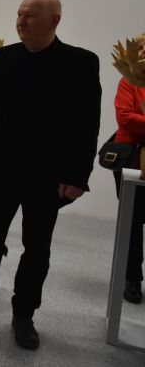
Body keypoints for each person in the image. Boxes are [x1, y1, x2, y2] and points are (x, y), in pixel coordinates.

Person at [0, 0, 101, 350]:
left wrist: (78, 176)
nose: (21, 20)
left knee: (37, 249)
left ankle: (24, 316)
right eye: (19, 14)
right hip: (1, 171)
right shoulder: (4, 58)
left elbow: (86, 124)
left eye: (30, 15)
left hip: (47, 176)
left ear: (54, 20)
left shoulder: (80, 63)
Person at [111, 33, 145, 304]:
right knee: (132, 221)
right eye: (141, 49)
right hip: (131, 157)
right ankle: (132, 277)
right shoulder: (129, 81)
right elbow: (125, 118)